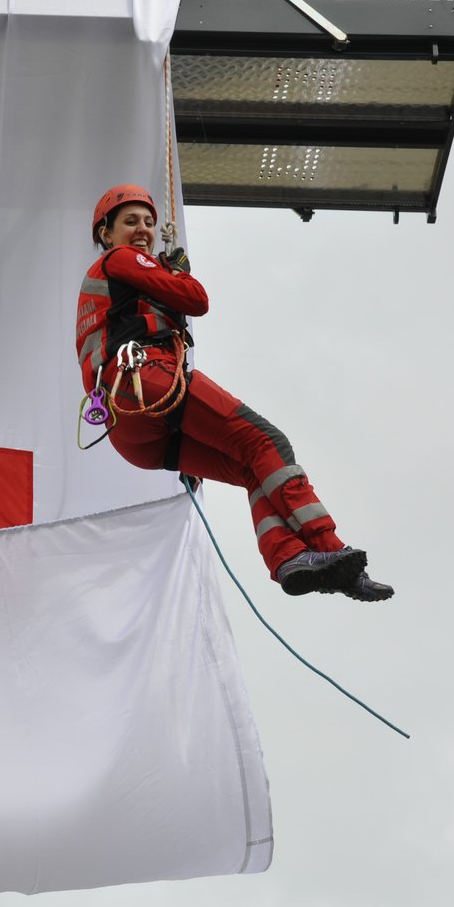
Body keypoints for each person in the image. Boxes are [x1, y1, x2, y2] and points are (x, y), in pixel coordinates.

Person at [76, 185, 391, 601]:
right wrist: (174, 273)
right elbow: (196, 299)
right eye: (130, 221)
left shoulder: (115, 281)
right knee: (266, 441)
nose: (143, 230)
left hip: (131, 431)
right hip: (147, 381)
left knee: (250, 466)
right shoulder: (119, 260)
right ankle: (331, 549)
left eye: (149, 223)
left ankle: (289, 558)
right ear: (106, 233)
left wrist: (163, 275)